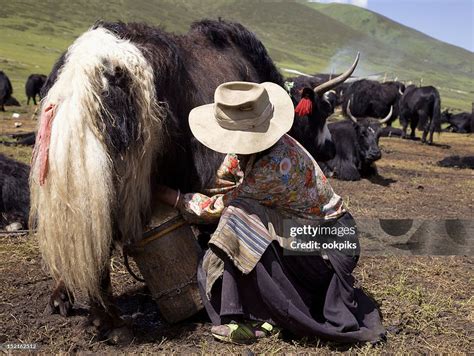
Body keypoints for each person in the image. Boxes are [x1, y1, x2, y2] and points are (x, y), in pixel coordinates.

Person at [156, 81, 386, 344]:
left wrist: (169, 196)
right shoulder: (263, 142)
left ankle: (240, 316)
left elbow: (213, 208)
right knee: (244, 214)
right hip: (310, 232)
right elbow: (226, 172)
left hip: (331, 245)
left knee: (237, 217)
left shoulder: (275, 165)